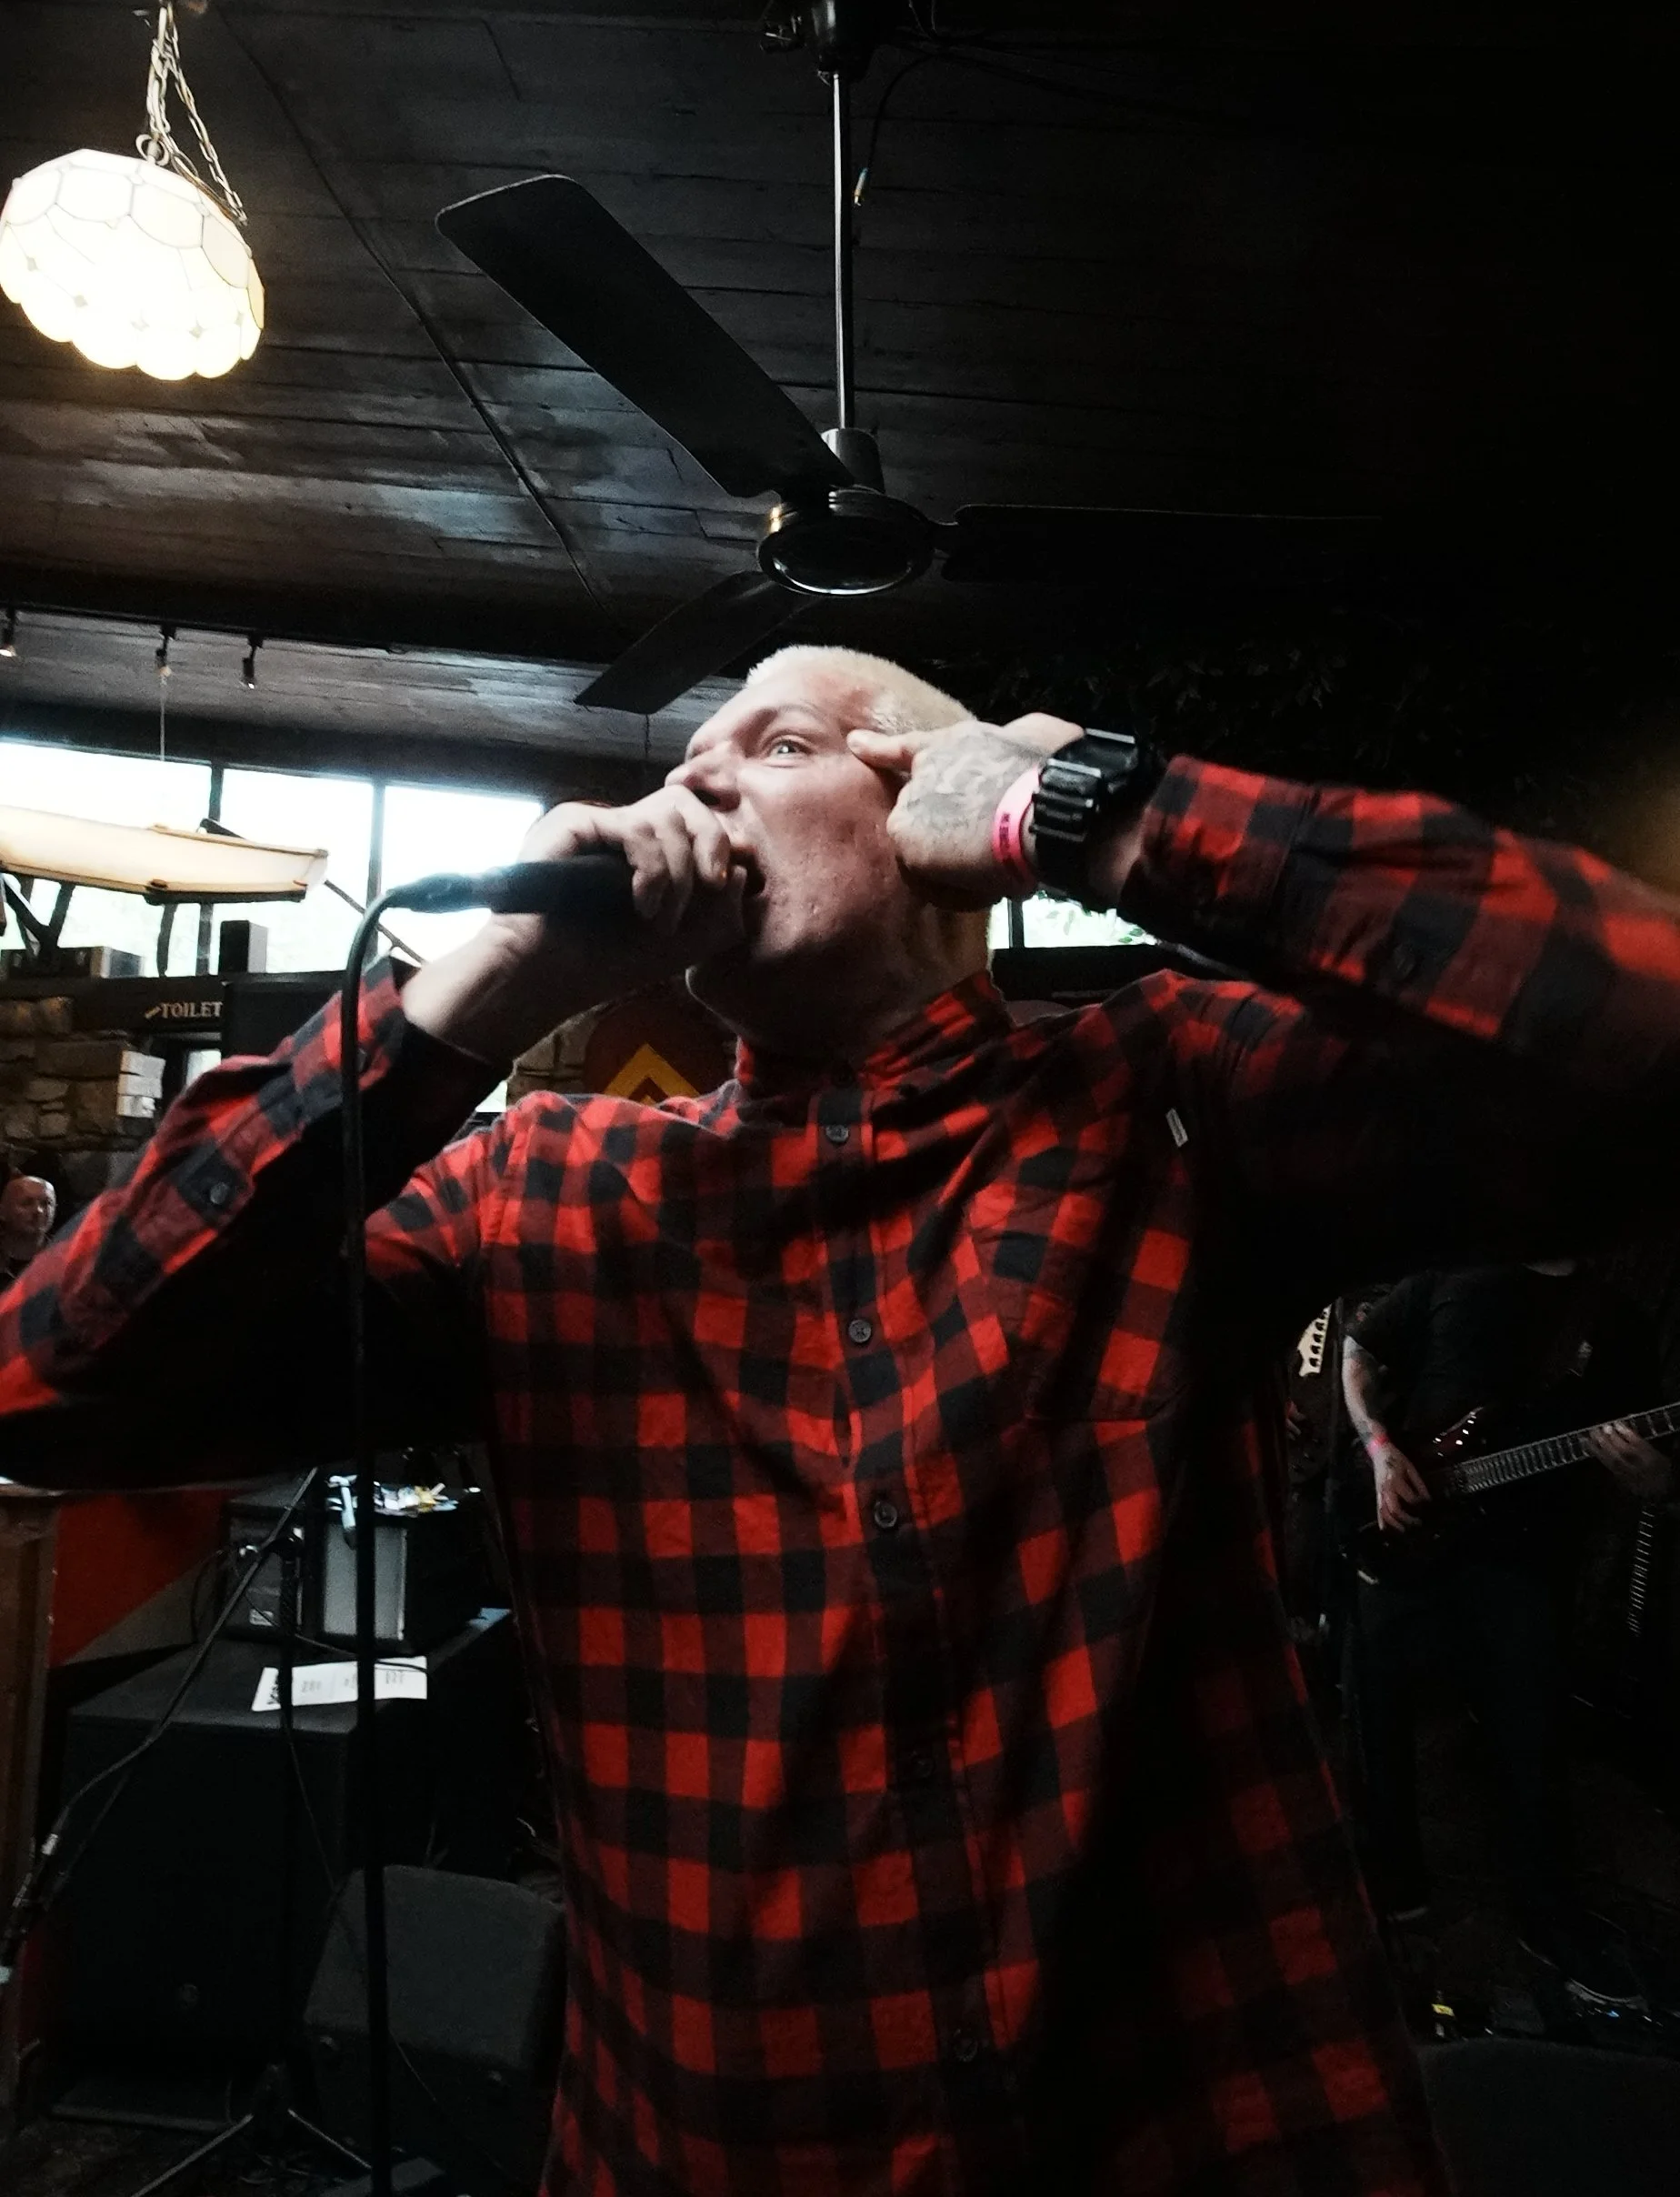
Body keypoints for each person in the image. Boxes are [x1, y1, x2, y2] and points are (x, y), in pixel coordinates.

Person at [5, 647, 1680, 2197]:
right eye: (685, 754)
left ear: (939, 814)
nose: (692, 785)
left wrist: (1105, 810)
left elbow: (1632, 1025)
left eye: (778, 740)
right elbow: (51, 1380)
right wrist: (484, 983)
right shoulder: (541, 1190)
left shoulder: (1158, 1095)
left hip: (1202, 2130)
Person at [1339, 1264, 1670, 1982]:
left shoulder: (1612, 1318)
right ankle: (1391, 1891)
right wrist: (1379, 1449)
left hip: (1524, 1565)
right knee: (1377, 1724)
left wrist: (1658, 1480)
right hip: (1407, 1528)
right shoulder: (1452, 1271)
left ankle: (1545, 1919)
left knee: (1532, 1748)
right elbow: (1356, 1351)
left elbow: (1645, 1446)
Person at [0, 1169, 55, 1290]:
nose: (38, 1211)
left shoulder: (68, 1262)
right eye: (26, 1203)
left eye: (46, 1203)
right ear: (3, 1211)